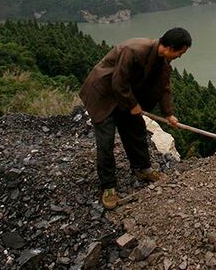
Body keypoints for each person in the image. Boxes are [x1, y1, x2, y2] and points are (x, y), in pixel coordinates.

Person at [80, 27, 191, 209]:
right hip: (103, 95)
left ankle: (142, 169)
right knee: (106, 141)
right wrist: (133, 105)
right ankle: (108, 187)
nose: (180, 56)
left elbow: (164, 89)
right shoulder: (134, 50)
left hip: (124, 96)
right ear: (170, 47)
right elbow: (118, 82)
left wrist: (168, 113)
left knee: (136, 130)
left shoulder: (162, 62)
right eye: (181, 52)